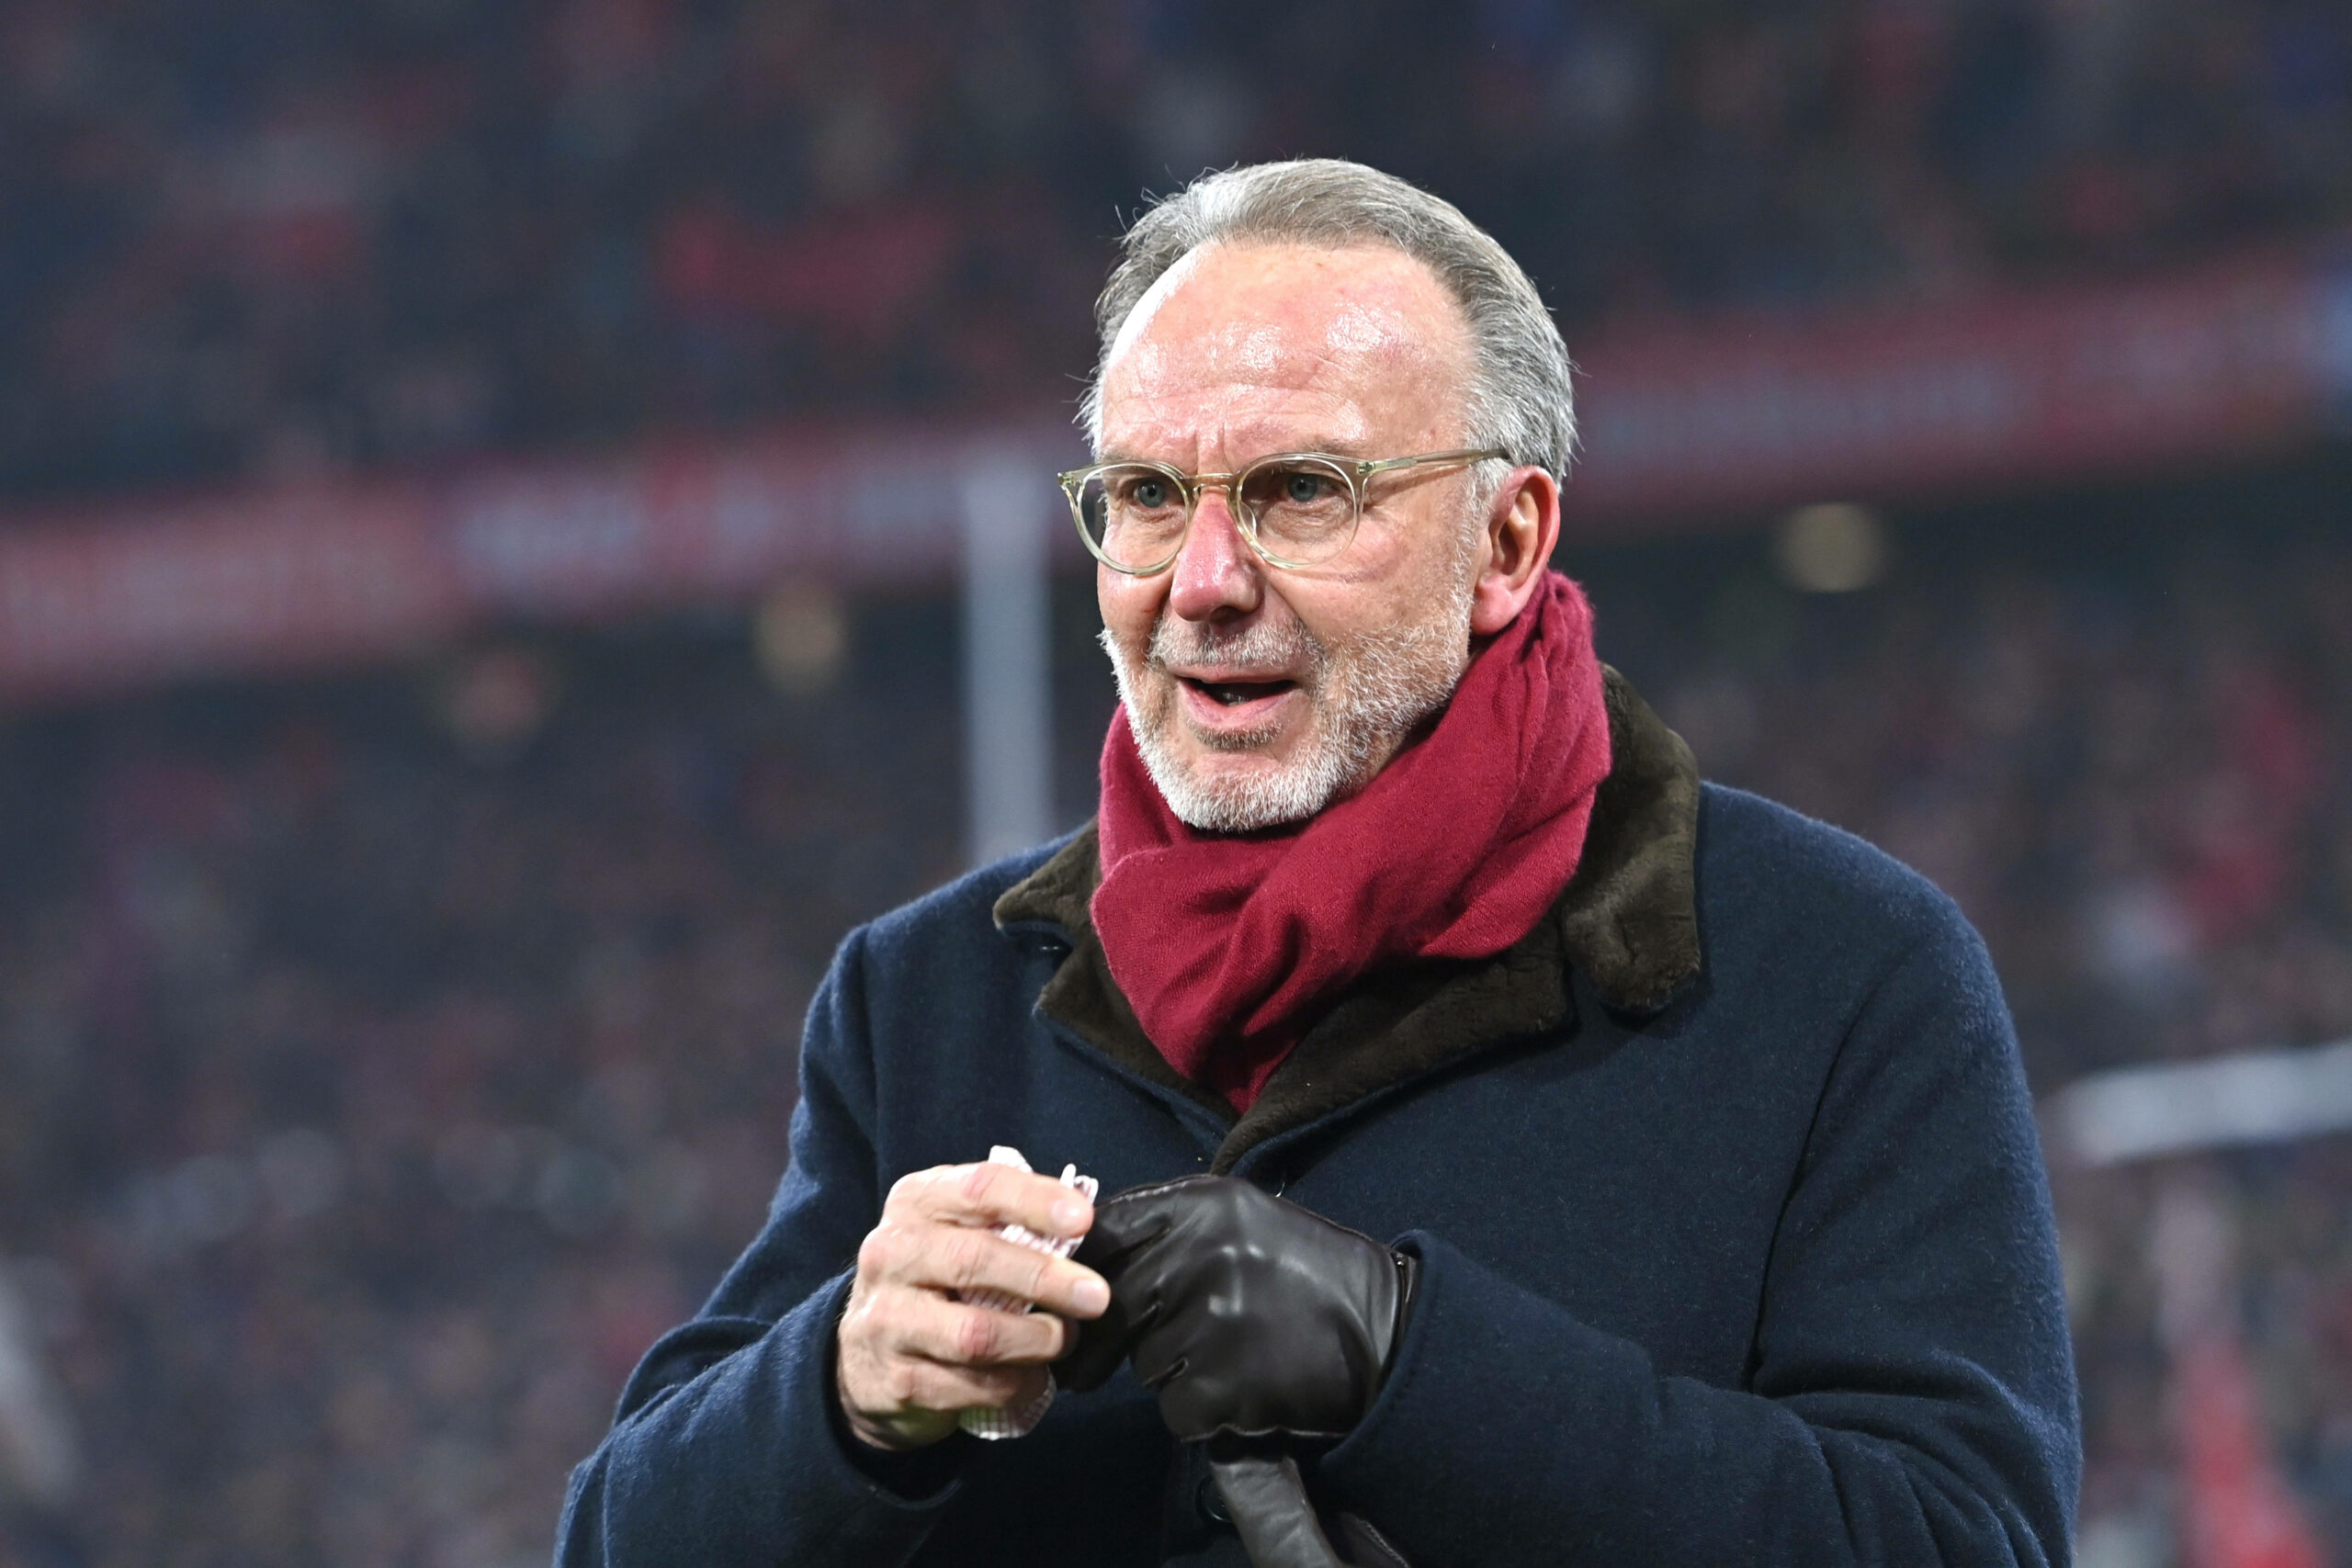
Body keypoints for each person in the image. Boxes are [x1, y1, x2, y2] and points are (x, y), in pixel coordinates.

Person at [555, 159, 2079, 1567]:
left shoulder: (1835, 970)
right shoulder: (928, 996)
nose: (1204, 584)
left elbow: (1963, 1540)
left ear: (1507, 542)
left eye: (1302, 491)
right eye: (1149, 497)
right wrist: (838, 1395)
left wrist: (1409, 1363)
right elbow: (616, 1535)